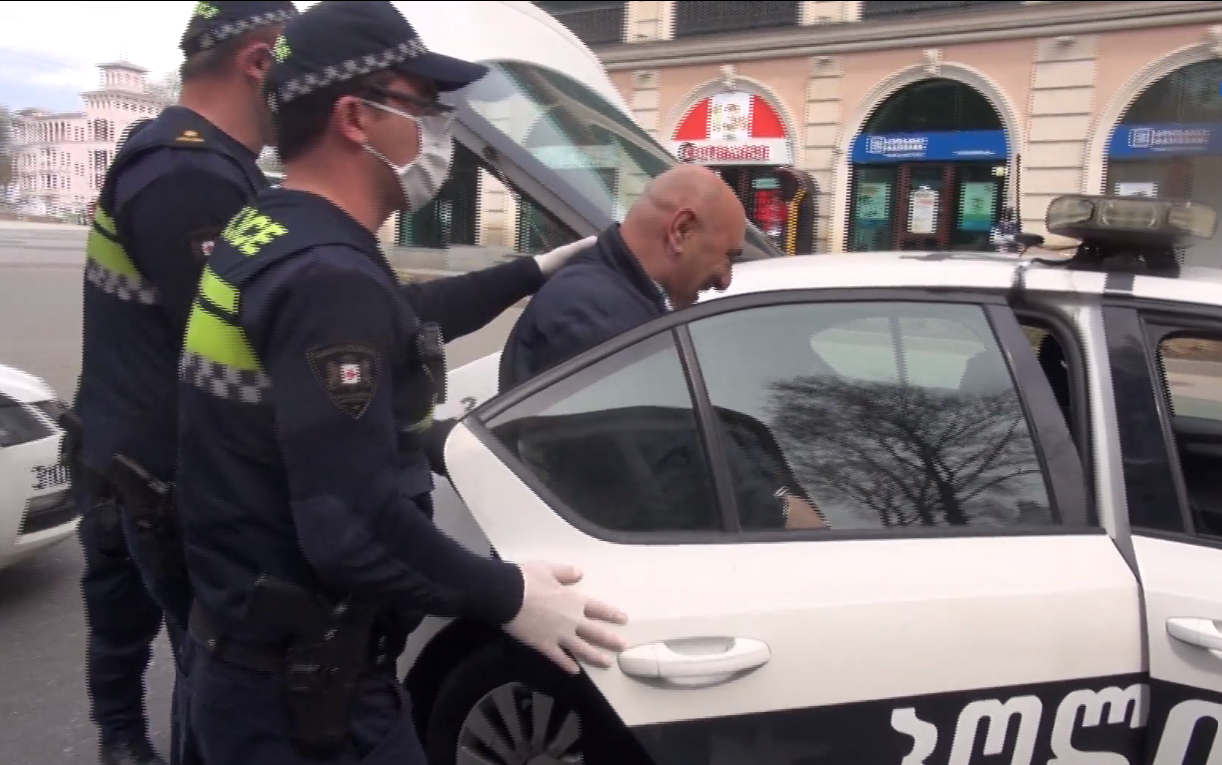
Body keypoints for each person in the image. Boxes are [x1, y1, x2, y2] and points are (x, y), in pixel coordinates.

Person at [176, 2, 626, 763]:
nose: (439, 129)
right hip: (307, 699)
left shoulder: (273, 228)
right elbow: (352, 530)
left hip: (245, 661)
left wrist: (536, 269)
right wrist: (511, 597)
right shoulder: (328, 276)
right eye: (422, 105)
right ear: (355, 116)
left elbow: (399, 319)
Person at [68, 3, 298, 764]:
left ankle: (124, 743)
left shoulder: (179, 153)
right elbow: (251, 339)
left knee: (130, 633)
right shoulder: (192, 171)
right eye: (294, 69)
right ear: (259, 62)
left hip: (123, 451)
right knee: (204, 661)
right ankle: (127, 746)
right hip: (156, 476)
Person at [500, 165, 827, 531]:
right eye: (729, 256)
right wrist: (775, 513)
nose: (725, 279)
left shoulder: (618, 302)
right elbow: (655, 475)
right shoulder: (594, 312)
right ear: (681, 231)